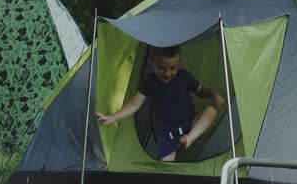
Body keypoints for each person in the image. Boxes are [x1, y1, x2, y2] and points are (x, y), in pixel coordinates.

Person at [96, 45, 224, 161]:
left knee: (211, 111)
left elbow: (200, 91)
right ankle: (184, 143)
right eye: (161, 68)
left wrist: (213, 94)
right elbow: (135, 104)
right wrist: (113, 116)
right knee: (165, 167)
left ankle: (188, 139)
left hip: (190, 126)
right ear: (154, 64)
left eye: (172, 68)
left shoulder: (184, 77)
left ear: (178, 64)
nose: (167, 73)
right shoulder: (150, 82)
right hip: (167, 135)